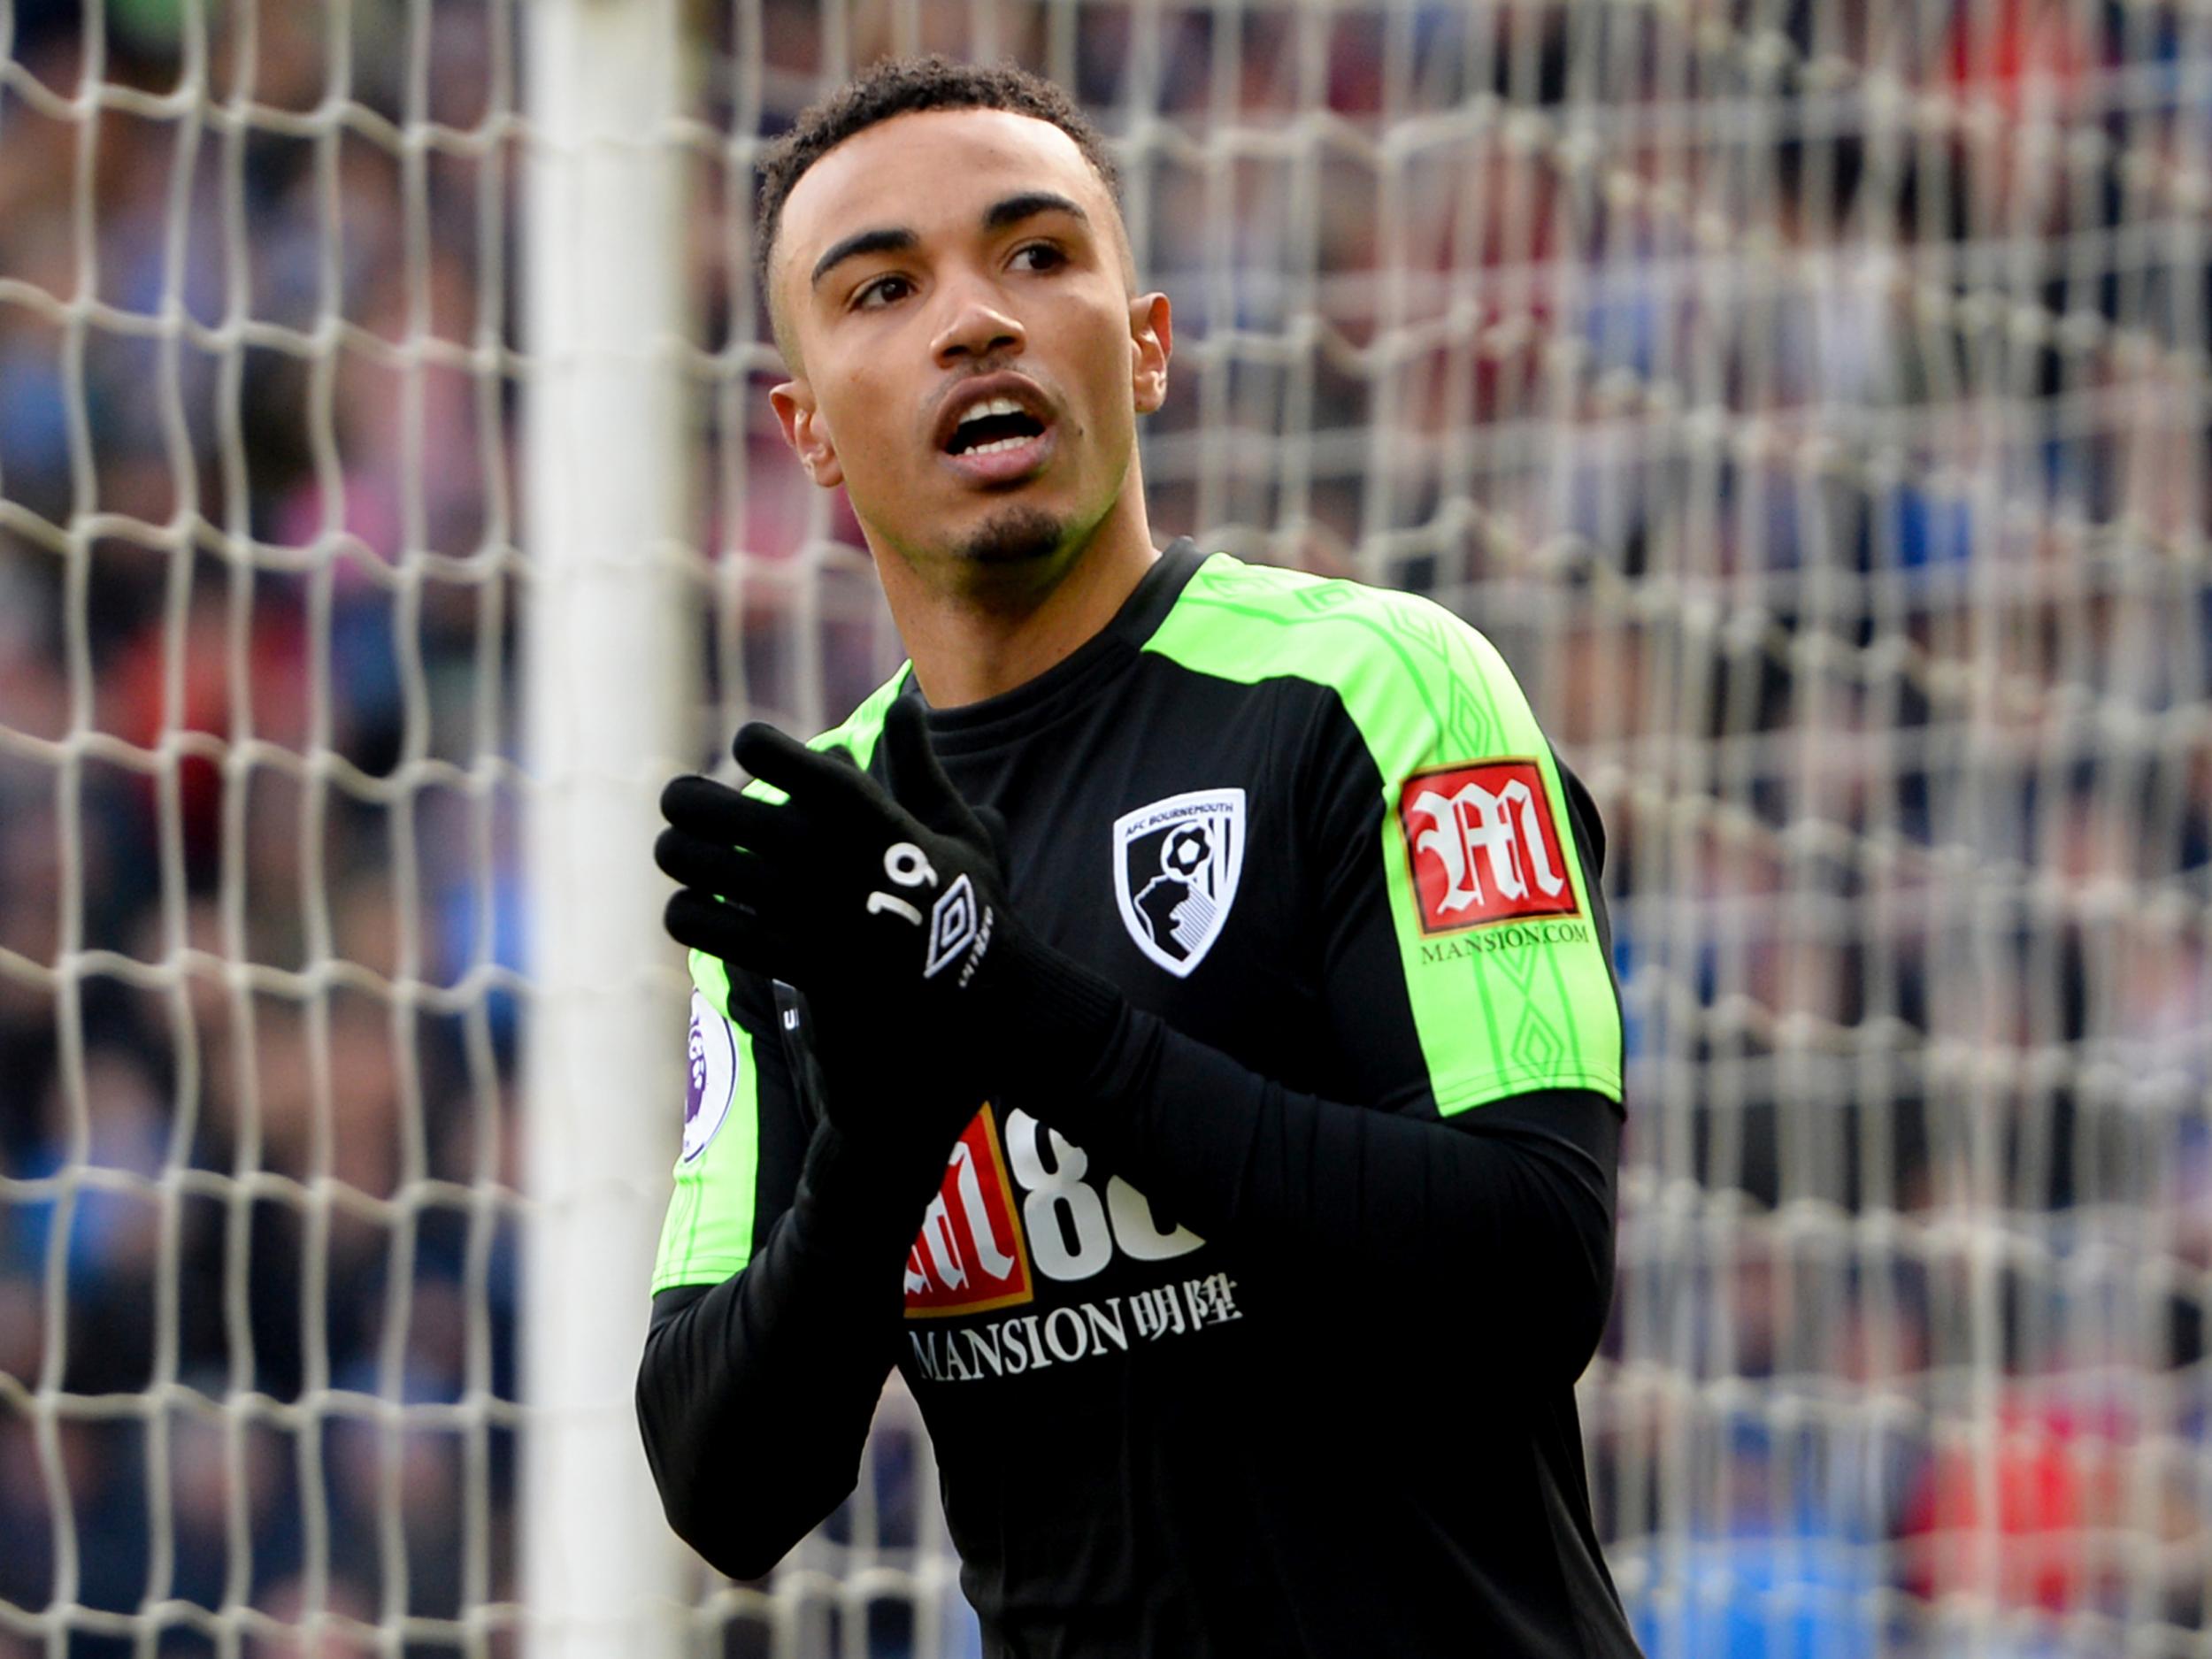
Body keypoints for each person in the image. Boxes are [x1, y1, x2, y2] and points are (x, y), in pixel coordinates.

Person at [637, 54, 1641, 1658]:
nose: (977, 318)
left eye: (1037, 256)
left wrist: (1018, 1008)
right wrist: (883, 1136)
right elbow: (723, 1482)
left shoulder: (1382, 690)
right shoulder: (814, 865)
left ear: (1148, 344)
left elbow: (1530, 1275)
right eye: (885, 288)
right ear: (808, 429)